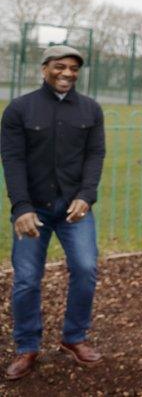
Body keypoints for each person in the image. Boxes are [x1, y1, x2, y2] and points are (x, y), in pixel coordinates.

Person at [1, 45, 105, 380]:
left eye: (74, 68)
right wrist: (20, 208)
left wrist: (87, 196)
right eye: (60, 66)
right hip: (33, 211)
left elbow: (95, 155)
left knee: (86, 268)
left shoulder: (90, 109)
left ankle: (73, 338)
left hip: (75, 210)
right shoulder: (20, 109)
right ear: (44, 68)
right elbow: (13, 160)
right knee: (28, 280)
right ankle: (27, 346)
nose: (67, 73)